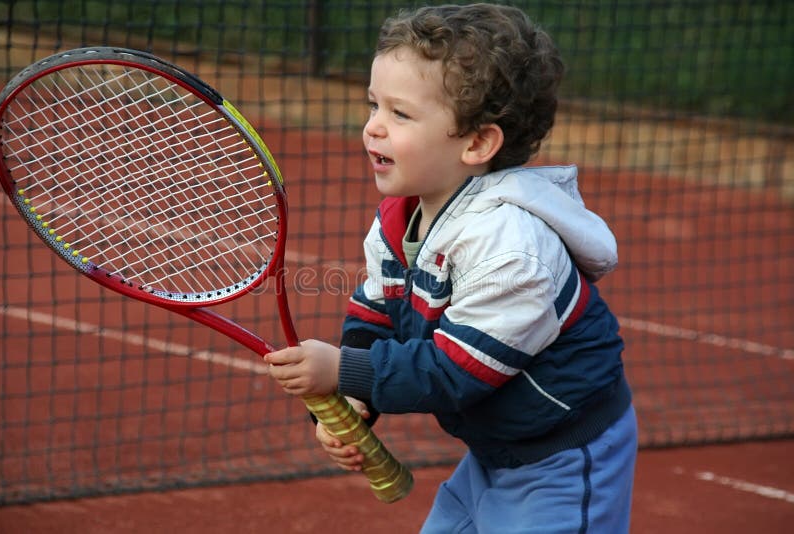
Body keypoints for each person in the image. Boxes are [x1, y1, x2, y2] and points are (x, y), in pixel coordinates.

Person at [264, 3, 637, 533]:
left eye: (401, 114)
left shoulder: (513, 248)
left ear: (478, 143)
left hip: (564, 457)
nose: (373, 128)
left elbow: (456, 373)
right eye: (374, 106)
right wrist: (353, 399)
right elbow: (374, 318)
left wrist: (340, 370)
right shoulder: (399, 219)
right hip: (494, 451)